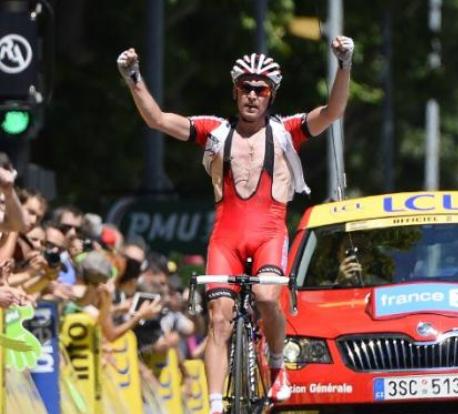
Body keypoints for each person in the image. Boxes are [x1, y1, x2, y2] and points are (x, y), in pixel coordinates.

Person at [117, 34, 354, 410]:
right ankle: (214, 402)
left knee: (264, 296)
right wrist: (134, 77)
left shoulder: (285, 130)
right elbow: (158, 120)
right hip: (225, 237)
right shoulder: (216, 131)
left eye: (261, 90)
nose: (252, 96)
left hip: (269, 234)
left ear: (271, 95)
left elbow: (333, 111)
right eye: (246, 88)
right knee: (219, 319)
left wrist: (344, 66)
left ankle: (277, 366)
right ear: (235, 91)